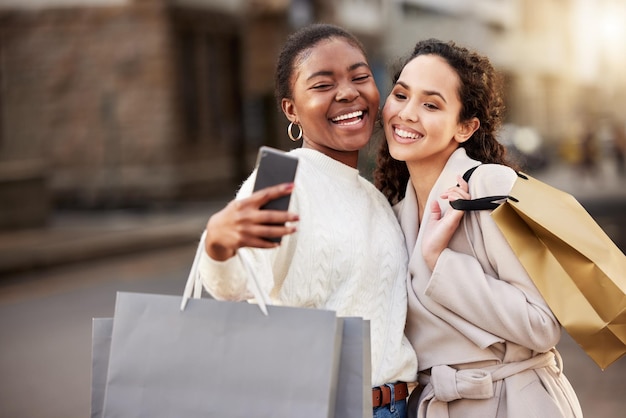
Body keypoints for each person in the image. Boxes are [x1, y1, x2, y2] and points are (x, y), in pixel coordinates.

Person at [186, 23, 417, 417]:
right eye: (323, 84)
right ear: (291, 109)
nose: (348, 92)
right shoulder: (281, 180)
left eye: (360, 77)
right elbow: (237, 284)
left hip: (396, 405)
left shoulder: (375, 197)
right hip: (324, 405)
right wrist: (217, 245)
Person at [374, 39, 583, 417]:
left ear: (466, 127)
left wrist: (440, 261)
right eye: (401, 95)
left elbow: (541, 326)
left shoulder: (490, 187)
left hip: (514, 402)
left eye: (431, 104)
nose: (406, 113)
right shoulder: (394, 211)